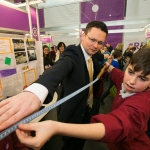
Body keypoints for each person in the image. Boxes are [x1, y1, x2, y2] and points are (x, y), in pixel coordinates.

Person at [0, 21, 108, 150]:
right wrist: (35, 92)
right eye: (92, 40)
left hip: (85, 112)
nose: (95, 46)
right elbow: (60, 68)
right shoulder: (73, 53)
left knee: (79, 145)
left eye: (100, 42)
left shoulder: (93, 57)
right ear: (83, 35)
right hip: (72, 115)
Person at [16, 47, 150, 150]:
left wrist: (55, 127)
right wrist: (109, 66)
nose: (131, 81)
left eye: (142, 78)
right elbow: (118, 74)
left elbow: (116, 125)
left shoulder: (142, 104)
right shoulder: (125, 80)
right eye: (131, 72)